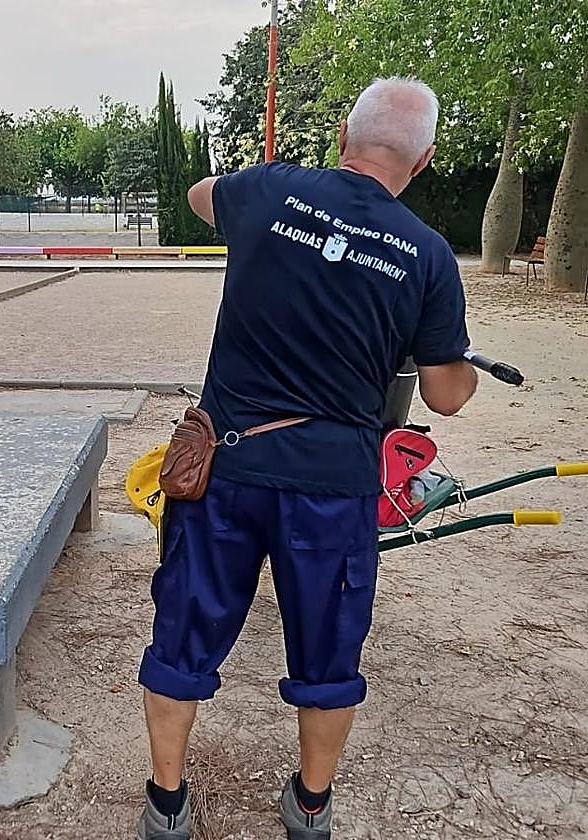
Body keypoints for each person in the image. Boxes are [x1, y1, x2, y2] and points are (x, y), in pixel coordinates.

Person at [134, 77, 478, 840]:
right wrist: (461, 361)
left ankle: (166, 802)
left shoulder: (268, 190)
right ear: (422, 162)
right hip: (332, 491)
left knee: (182, 638)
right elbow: (446, 395)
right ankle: (310, 806)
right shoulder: (427, 255)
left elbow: (199, 195)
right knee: (327, 658)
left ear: (343, 140)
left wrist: (273, 215)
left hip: (223, 471)